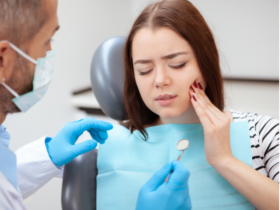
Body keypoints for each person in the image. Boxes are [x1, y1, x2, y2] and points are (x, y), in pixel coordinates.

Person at [0, 0, 191, 209]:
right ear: (1, 62)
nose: (49, 54)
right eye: (46, 41)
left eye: (178, 64)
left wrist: (47, 156)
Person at [99, 0, 279, 209]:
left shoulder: (263, 132)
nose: (160, 80)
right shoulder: (107, 146)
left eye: (178, 64)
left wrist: (225, 160)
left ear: (205, 62)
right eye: (144, 70)